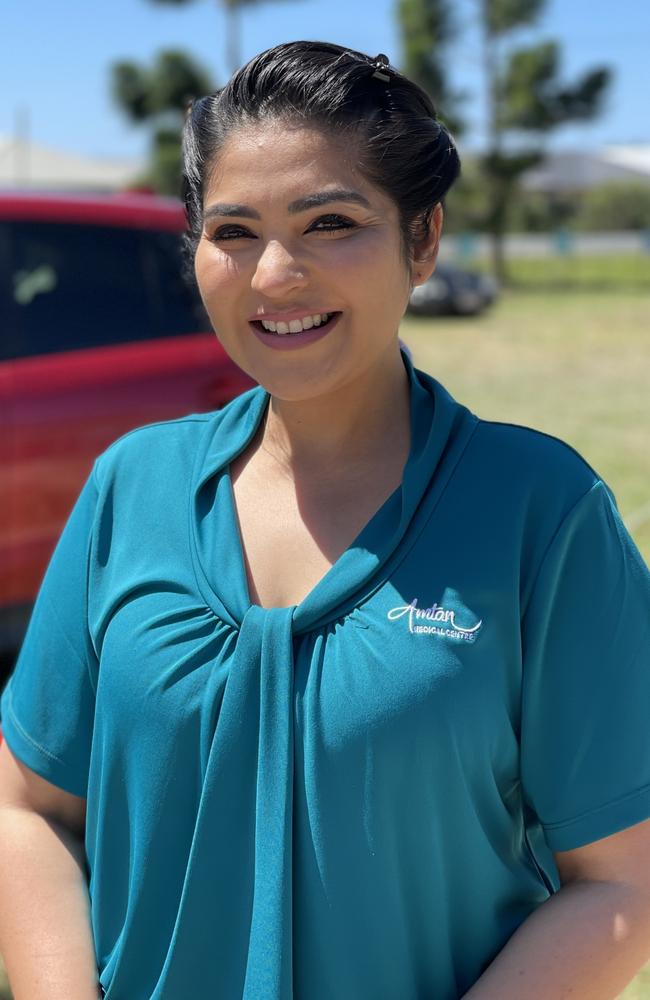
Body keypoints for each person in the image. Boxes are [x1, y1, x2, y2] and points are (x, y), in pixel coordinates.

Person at [1, 39, 649, 1000]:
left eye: (331, 221)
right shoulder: (129, 486)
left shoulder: (540, 510)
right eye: (232, 232)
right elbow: (28, 806)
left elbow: (622, 881)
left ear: (422, 240)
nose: (274, 276)